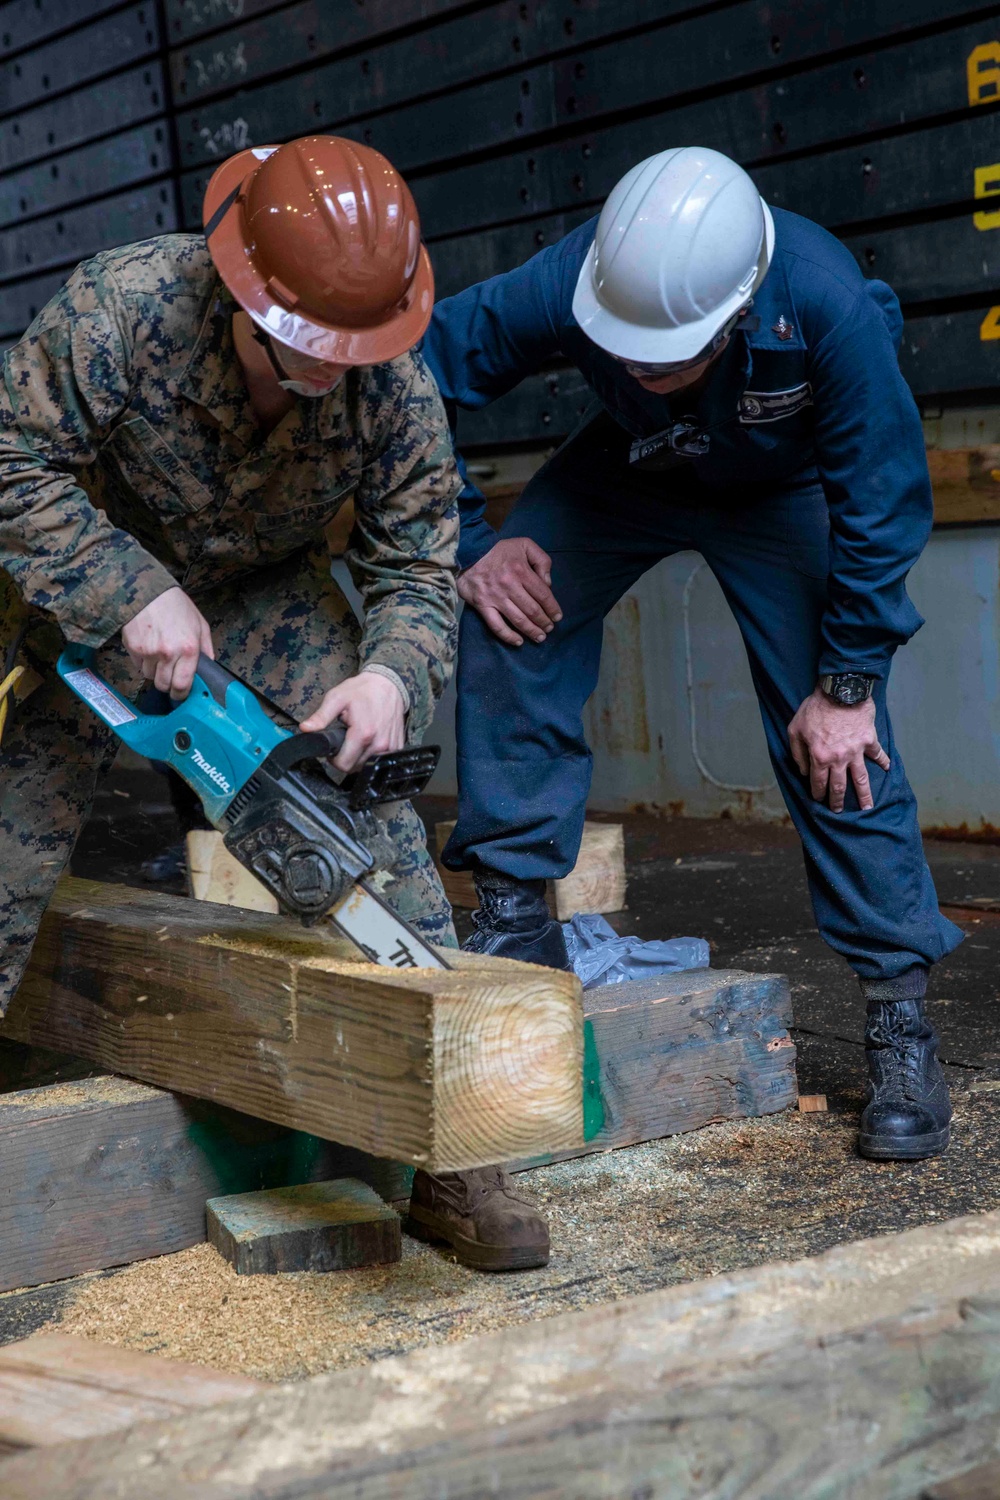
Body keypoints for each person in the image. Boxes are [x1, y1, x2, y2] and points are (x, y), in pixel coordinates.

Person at [0, 134, 549, 1271]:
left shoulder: (393, 382)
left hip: (261, 585)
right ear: (243, 291)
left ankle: (447, 1157)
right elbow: (11, 465)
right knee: (8, 841)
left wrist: (390, 676)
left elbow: (413, 567)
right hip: (72, 580)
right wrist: (125, 588)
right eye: (303, 356)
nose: (328, 378)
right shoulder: (120, 306)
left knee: (364, 822)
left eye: (347, 359)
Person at [422, 145, 963, 1163]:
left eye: (661, 356)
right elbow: (418, 375)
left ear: (741, 310)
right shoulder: (576, 277)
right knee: (509, 616)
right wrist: (469, 544)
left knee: (839, 738)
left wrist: (846, 685)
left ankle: (898, 1012)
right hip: (633, 465)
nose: (634, 366)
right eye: (620, 351)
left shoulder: (827, 306)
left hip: (784, 487)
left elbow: (881, 505)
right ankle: (512, 920)